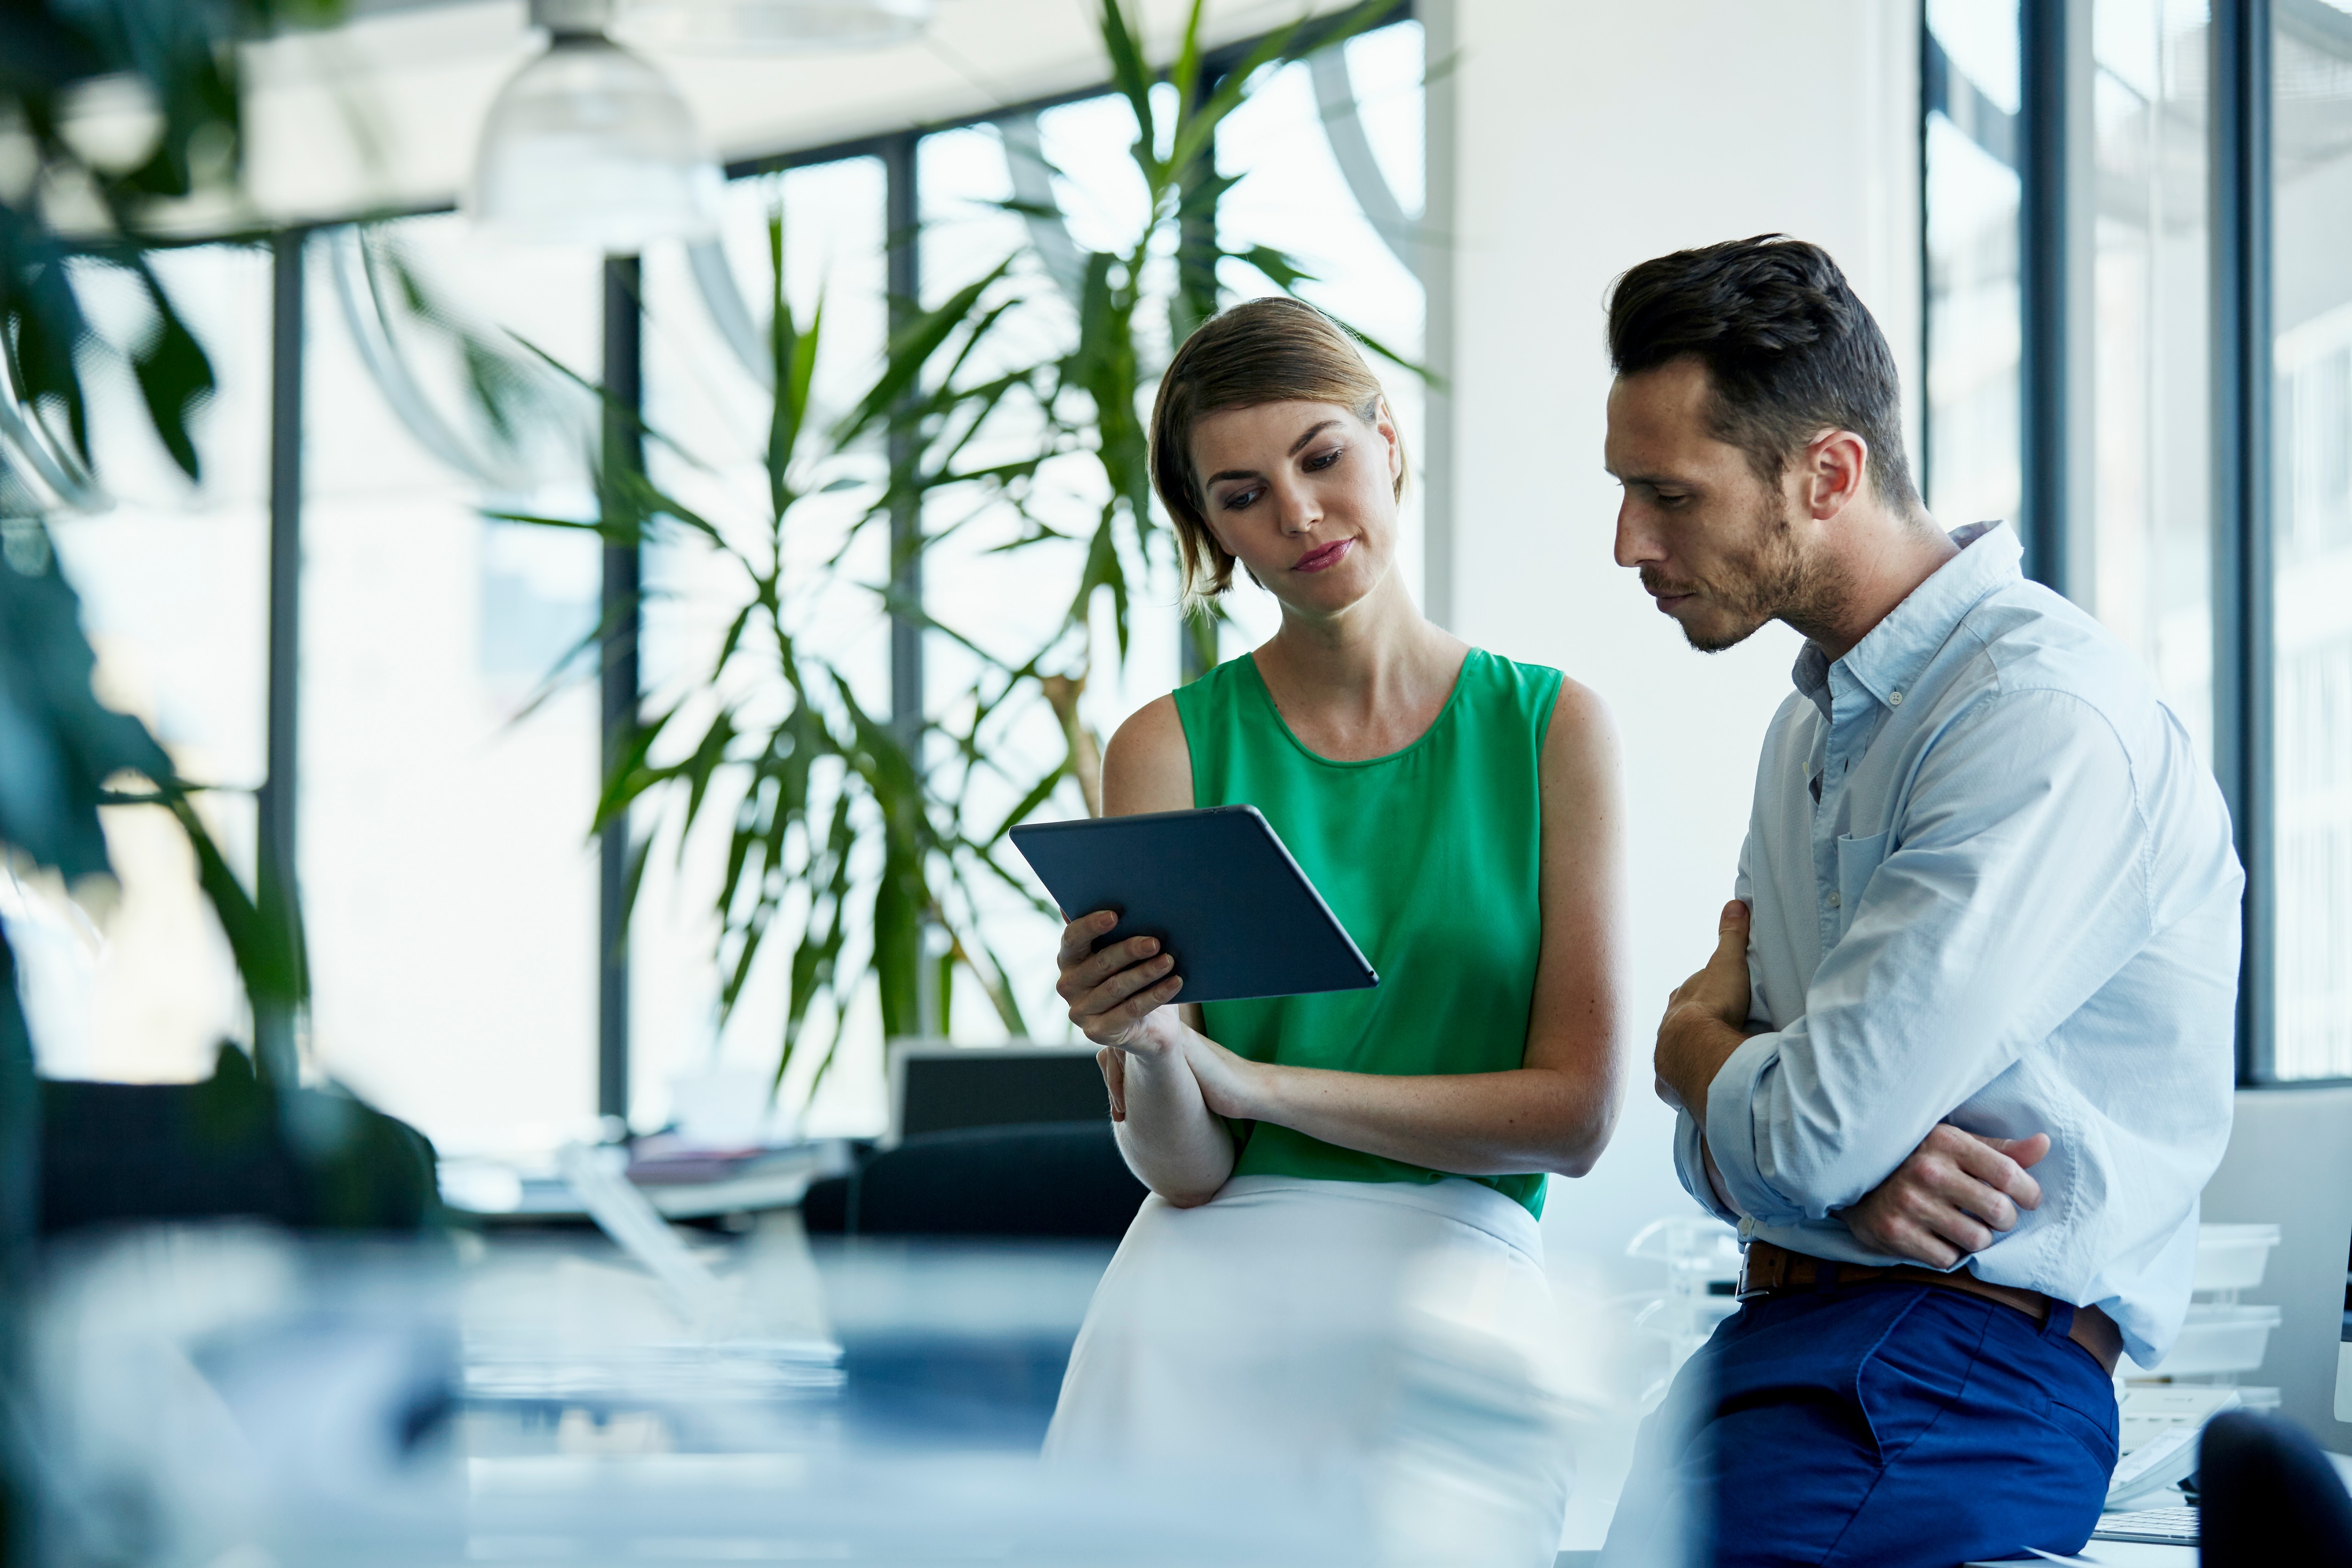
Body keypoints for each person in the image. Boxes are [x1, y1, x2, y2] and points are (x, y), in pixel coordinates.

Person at [1595, 236, 2243, 1567]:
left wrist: (1687, 1051)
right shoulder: (1809, 730)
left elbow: (1800, 1126)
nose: (1629, 544)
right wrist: (1799, 1153)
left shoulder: (2038, 717)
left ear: (1827, 474)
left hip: (1948, 1375)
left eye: (1669, 495)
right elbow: (1758, 1155)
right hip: (1782, 1350)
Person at [1041, 296, 1627, 1564]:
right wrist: (1145, 1045)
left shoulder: (1551, 731)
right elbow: (1190, 1169)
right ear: (1209, 528)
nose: (1298, 517)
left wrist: (1252, 1081)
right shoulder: (1169, 746)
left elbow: (1575, 1118)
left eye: (1322, 458)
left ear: (1388, 440)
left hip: (1454, 1288)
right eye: (1242, 494)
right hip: (1196, 1311)